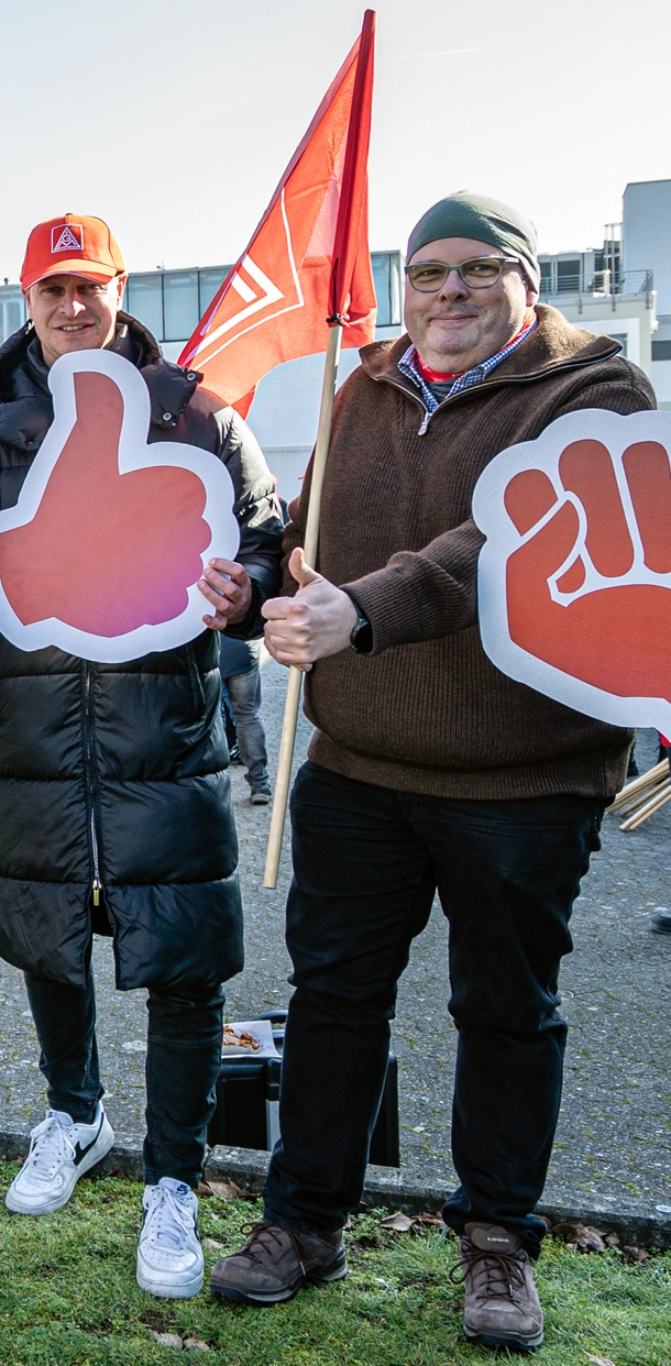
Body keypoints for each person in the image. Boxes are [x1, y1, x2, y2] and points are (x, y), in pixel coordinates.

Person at [210, 194, 658, 1354]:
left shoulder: (596, 394)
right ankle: (303, 1222)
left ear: (528, 279)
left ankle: (497, 1241)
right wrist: (257, 585)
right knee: (332, 1001)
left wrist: (363, 610)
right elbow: (312, 536)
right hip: (357, 765)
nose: (448, 293)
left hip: (524, 776)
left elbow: (495, 544)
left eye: (476, 271)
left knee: (506, 1010)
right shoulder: (361, 384)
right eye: (426, 273)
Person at [0, 213, 283, 1300]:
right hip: (33, 740)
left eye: (89, 288)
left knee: (186, 961)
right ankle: (75, 1113)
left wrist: (251, 584)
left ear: (118, 292)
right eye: (52, 291)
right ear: (27, 302)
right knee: (50, 941)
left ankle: (175, 1179)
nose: (73, 308)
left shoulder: (197, 413)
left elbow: (262, 538)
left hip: (168, 739)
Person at [219, 635, 271, 804]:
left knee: (212, 719)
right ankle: (260, 784)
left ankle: (216, 787)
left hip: (213, 650)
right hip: (243, 648)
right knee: (248, 717)